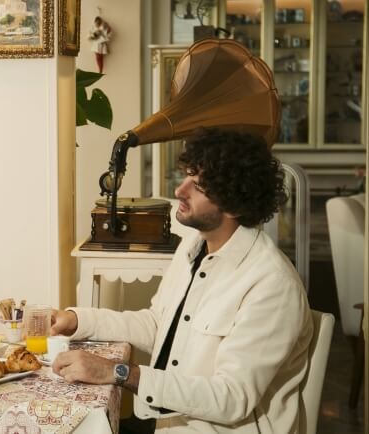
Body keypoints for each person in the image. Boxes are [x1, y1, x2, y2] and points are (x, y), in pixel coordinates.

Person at [51, 129, 313, 433]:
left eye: (198, 186)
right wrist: (77, 320)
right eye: (187, 175)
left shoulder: (273, 284)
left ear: (235, 204)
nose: (179, 190)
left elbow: (232, 398)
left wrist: (120, 372)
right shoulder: (193, 247)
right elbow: (158, 325)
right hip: (172, 423)